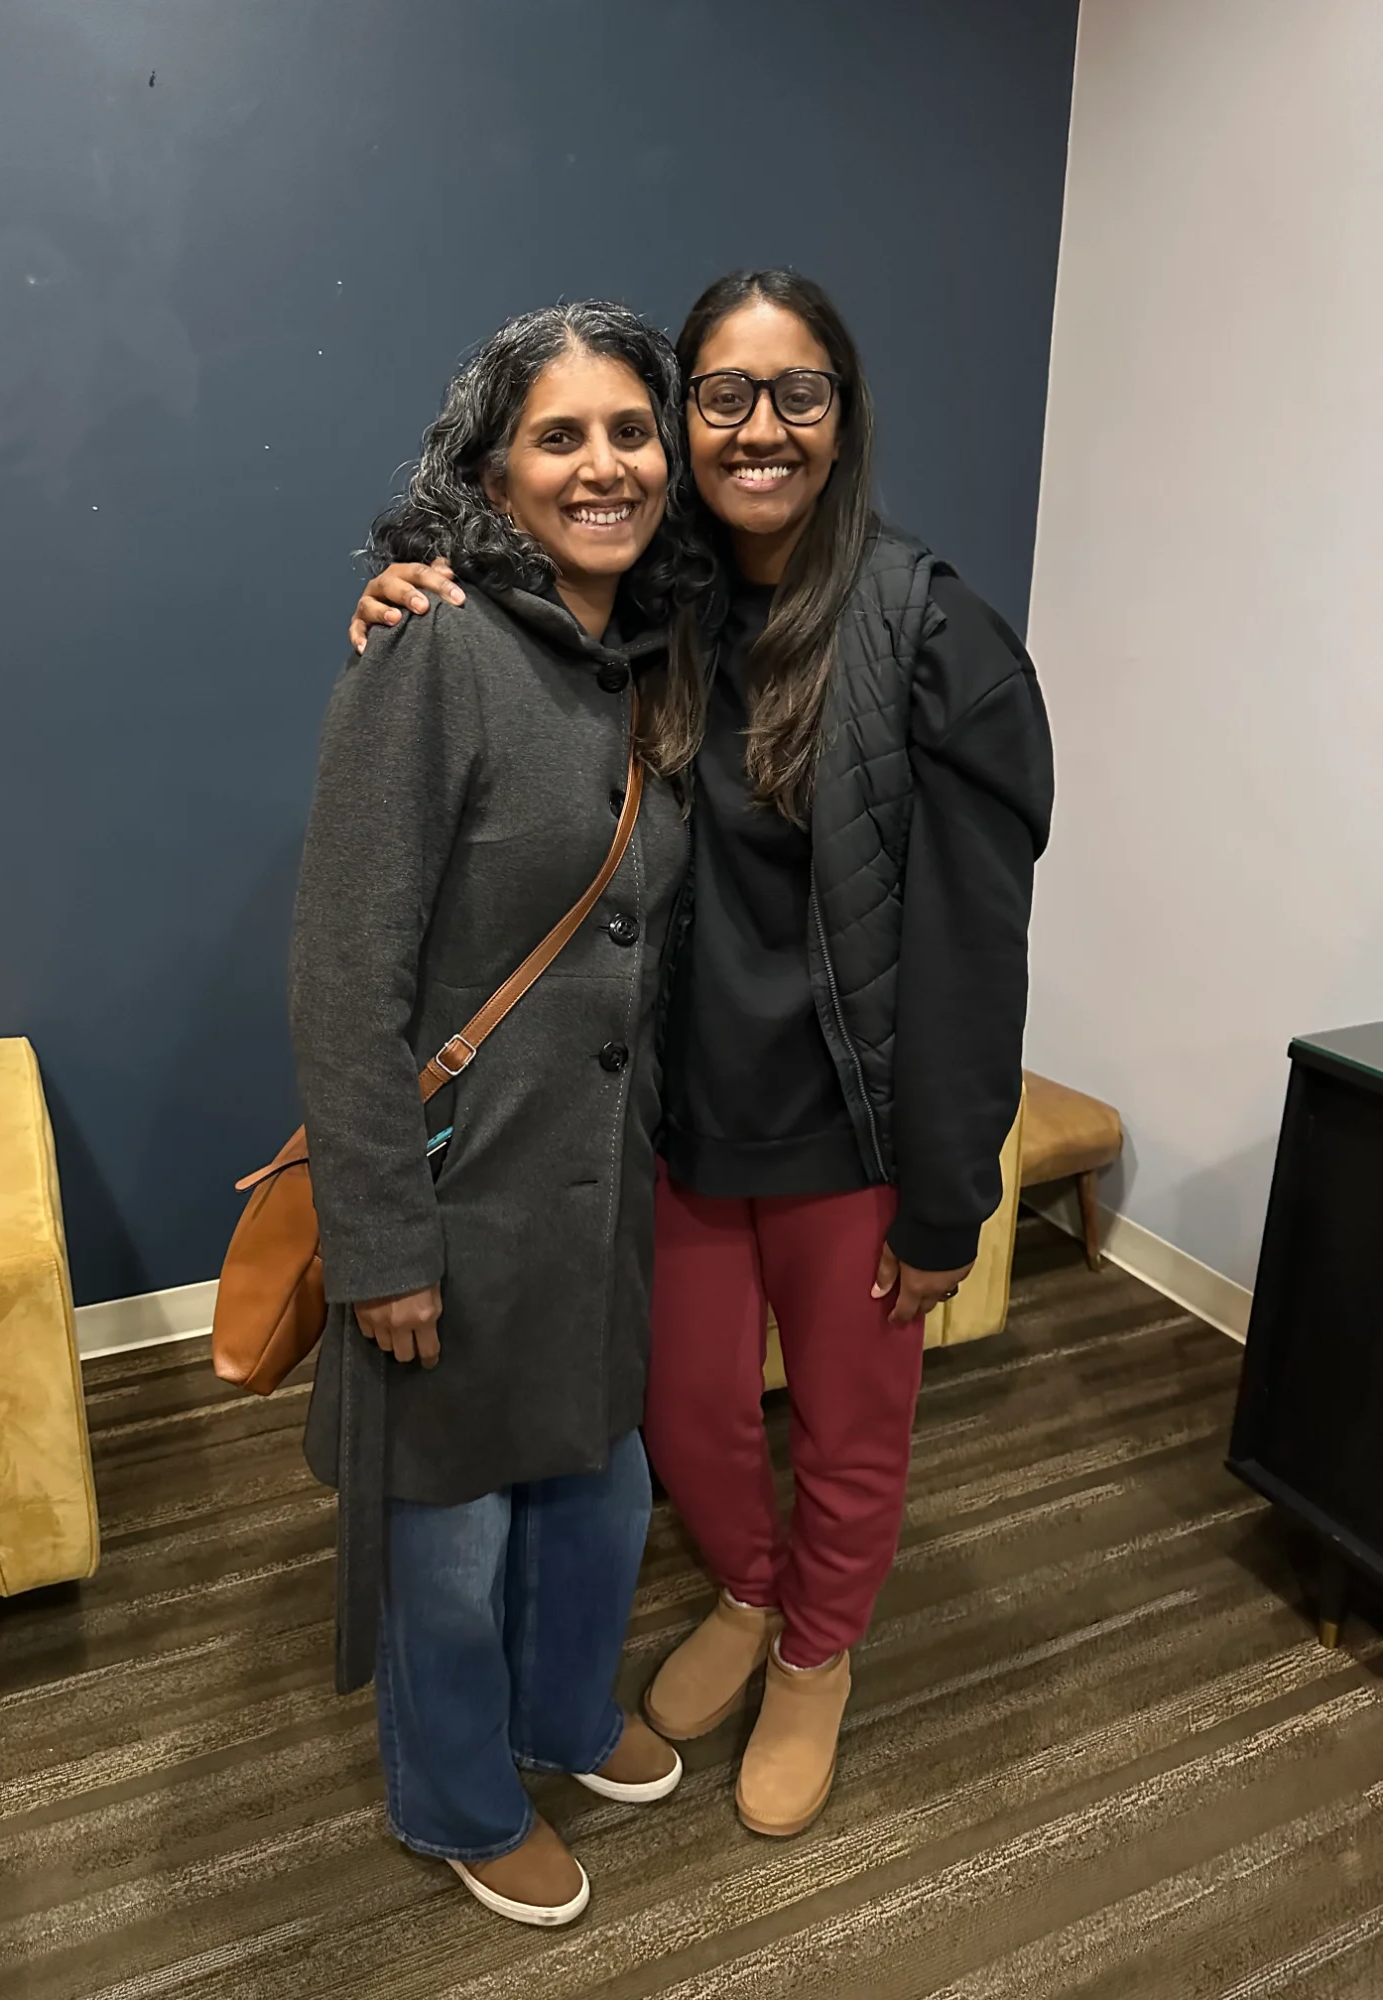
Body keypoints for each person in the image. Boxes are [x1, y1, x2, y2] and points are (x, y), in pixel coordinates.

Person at [351, 270, 1054, 1840]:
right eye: (721, 396)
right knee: (687, 1419)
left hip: (853, 1140)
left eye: (796, 392)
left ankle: (819, 1651)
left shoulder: (929, 629)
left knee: (855, 1433)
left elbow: (971, 946)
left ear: (844, 414)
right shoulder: (650, 613)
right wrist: (408, 579)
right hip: (669, 1127)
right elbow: (505, 645)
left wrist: (949, 1191)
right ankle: (746, 1588)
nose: (756, 427)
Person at [292, 301, 708, 1927]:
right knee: (448, 1542)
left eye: (629, 430)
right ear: (491, 469)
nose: (603, 463)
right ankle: (458, 1794)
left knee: (598, 1489)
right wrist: (377, 1240)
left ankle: (557, 1713)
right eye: (560, 435)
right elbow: (344, 975)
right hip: (457, 1201)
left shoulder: (647, 665)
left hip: (596, 1195)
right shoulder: (436, 650)